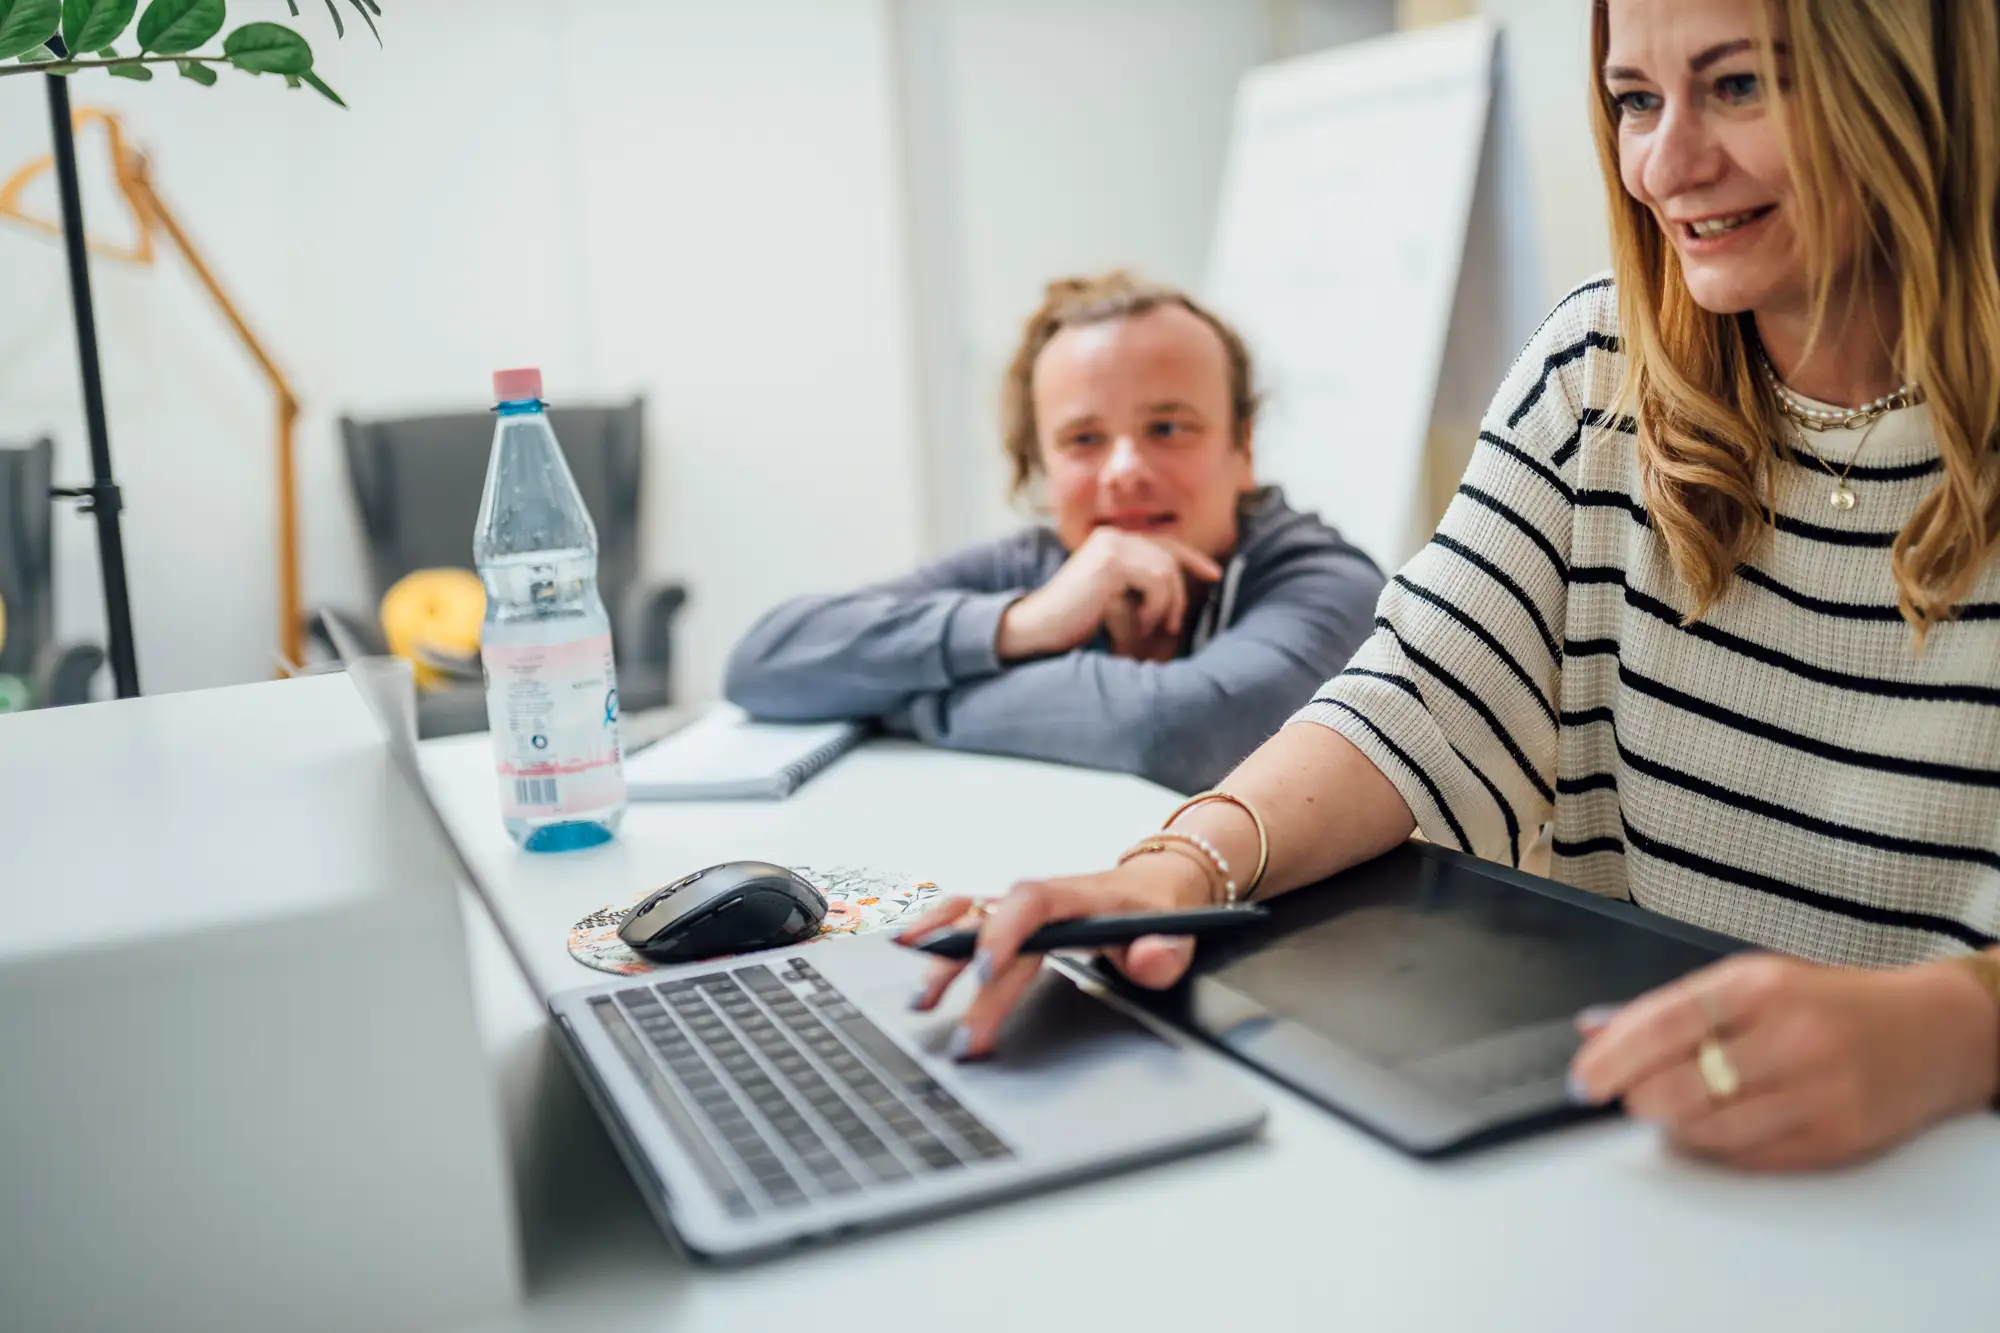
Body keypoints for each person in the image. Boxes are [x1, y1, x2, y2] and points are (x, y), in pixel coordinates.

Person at [904, 0, 2000, 1172]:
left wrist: (1950, 1034)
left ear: (1910, 87)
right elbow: (1414, 699)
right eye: (1634, 98)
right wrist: (1172, 869)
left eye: (1738, 86)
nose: (1665, 165)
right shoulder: (1596, 374)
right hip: (1652, 1148)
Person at [724, 271, 1384, 794]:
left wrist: (896, 700)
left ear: (1242, 446)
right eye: (1084, 439)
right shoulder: (1041, 566)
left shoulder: (1331, 582)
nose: (1124, 471)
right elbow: (765, 661)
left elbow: (1184, 730)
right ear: (1039, 464)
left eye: (1168, 427)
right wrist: (1023, 624)